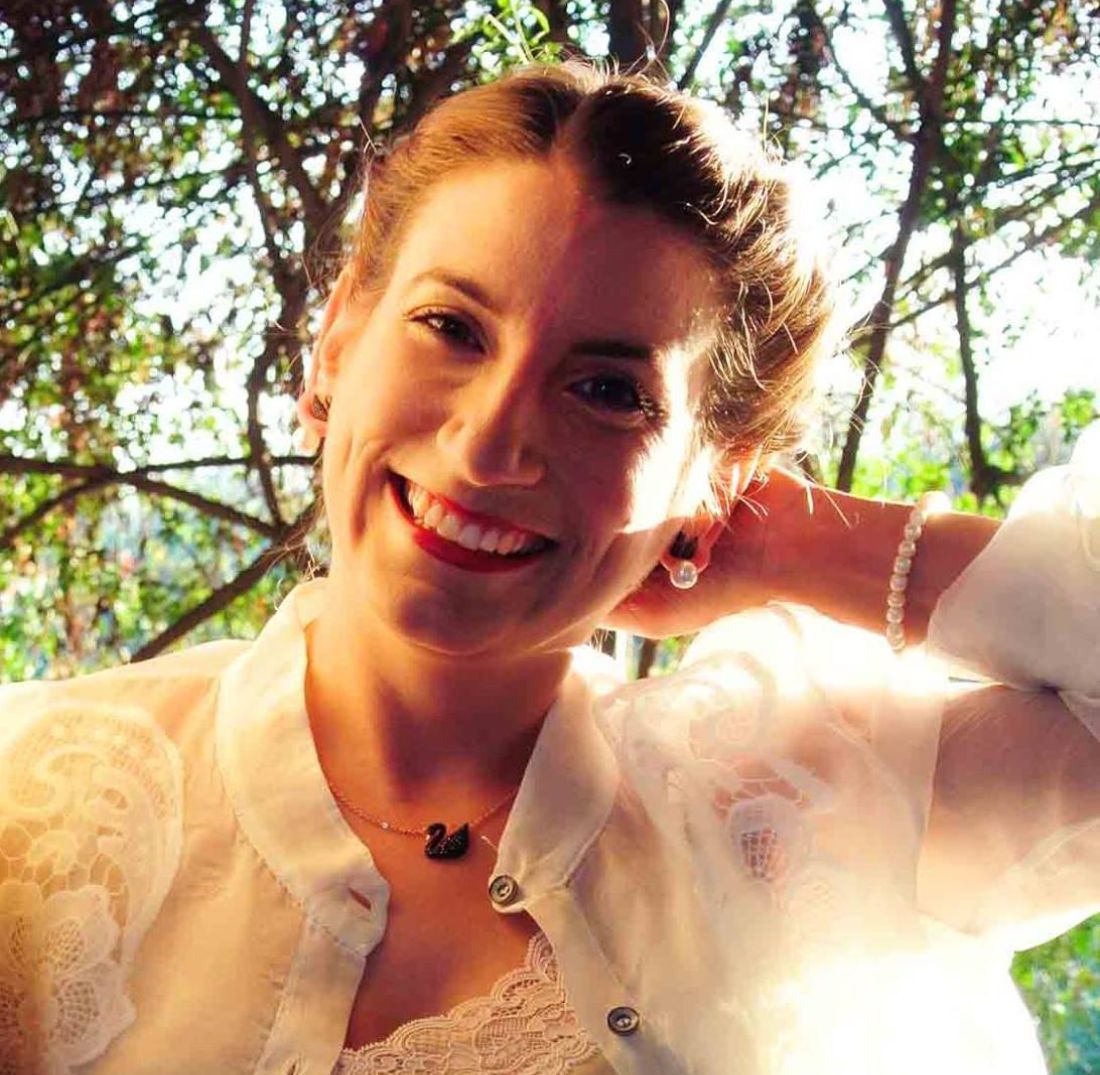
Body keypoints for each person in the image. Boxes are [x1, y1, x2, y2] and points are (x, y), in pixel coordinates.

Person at [1, 61, 1097, 1075]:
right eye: (450, 326)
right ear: (338, 340)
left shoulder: (792, 820)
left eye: (608, 391)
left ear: (715, 480)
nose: (486, 445)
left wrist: (801, 541)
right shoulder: (33, 796)